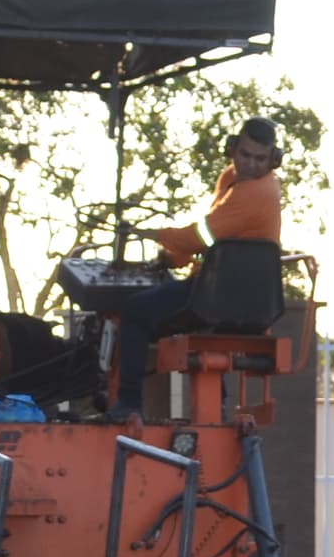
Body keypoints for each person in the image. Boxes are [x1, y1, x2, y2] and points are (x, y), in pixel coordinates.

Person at [109, 117, 288, 411]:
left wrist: (155, 236)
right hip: (232, 290)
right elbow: (215, 239)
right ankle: (217, 408)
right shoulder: (231, 180)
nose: (251, 164)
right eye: (245, 154)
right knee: (166, 303)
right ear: (232, 149)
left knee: (134, 312)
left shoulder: (256, 193)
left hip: (220, 295)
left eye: (260, 159)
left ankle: (127, 404)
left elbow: (201, 236)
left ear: (273, 160)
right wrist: (174, 258)